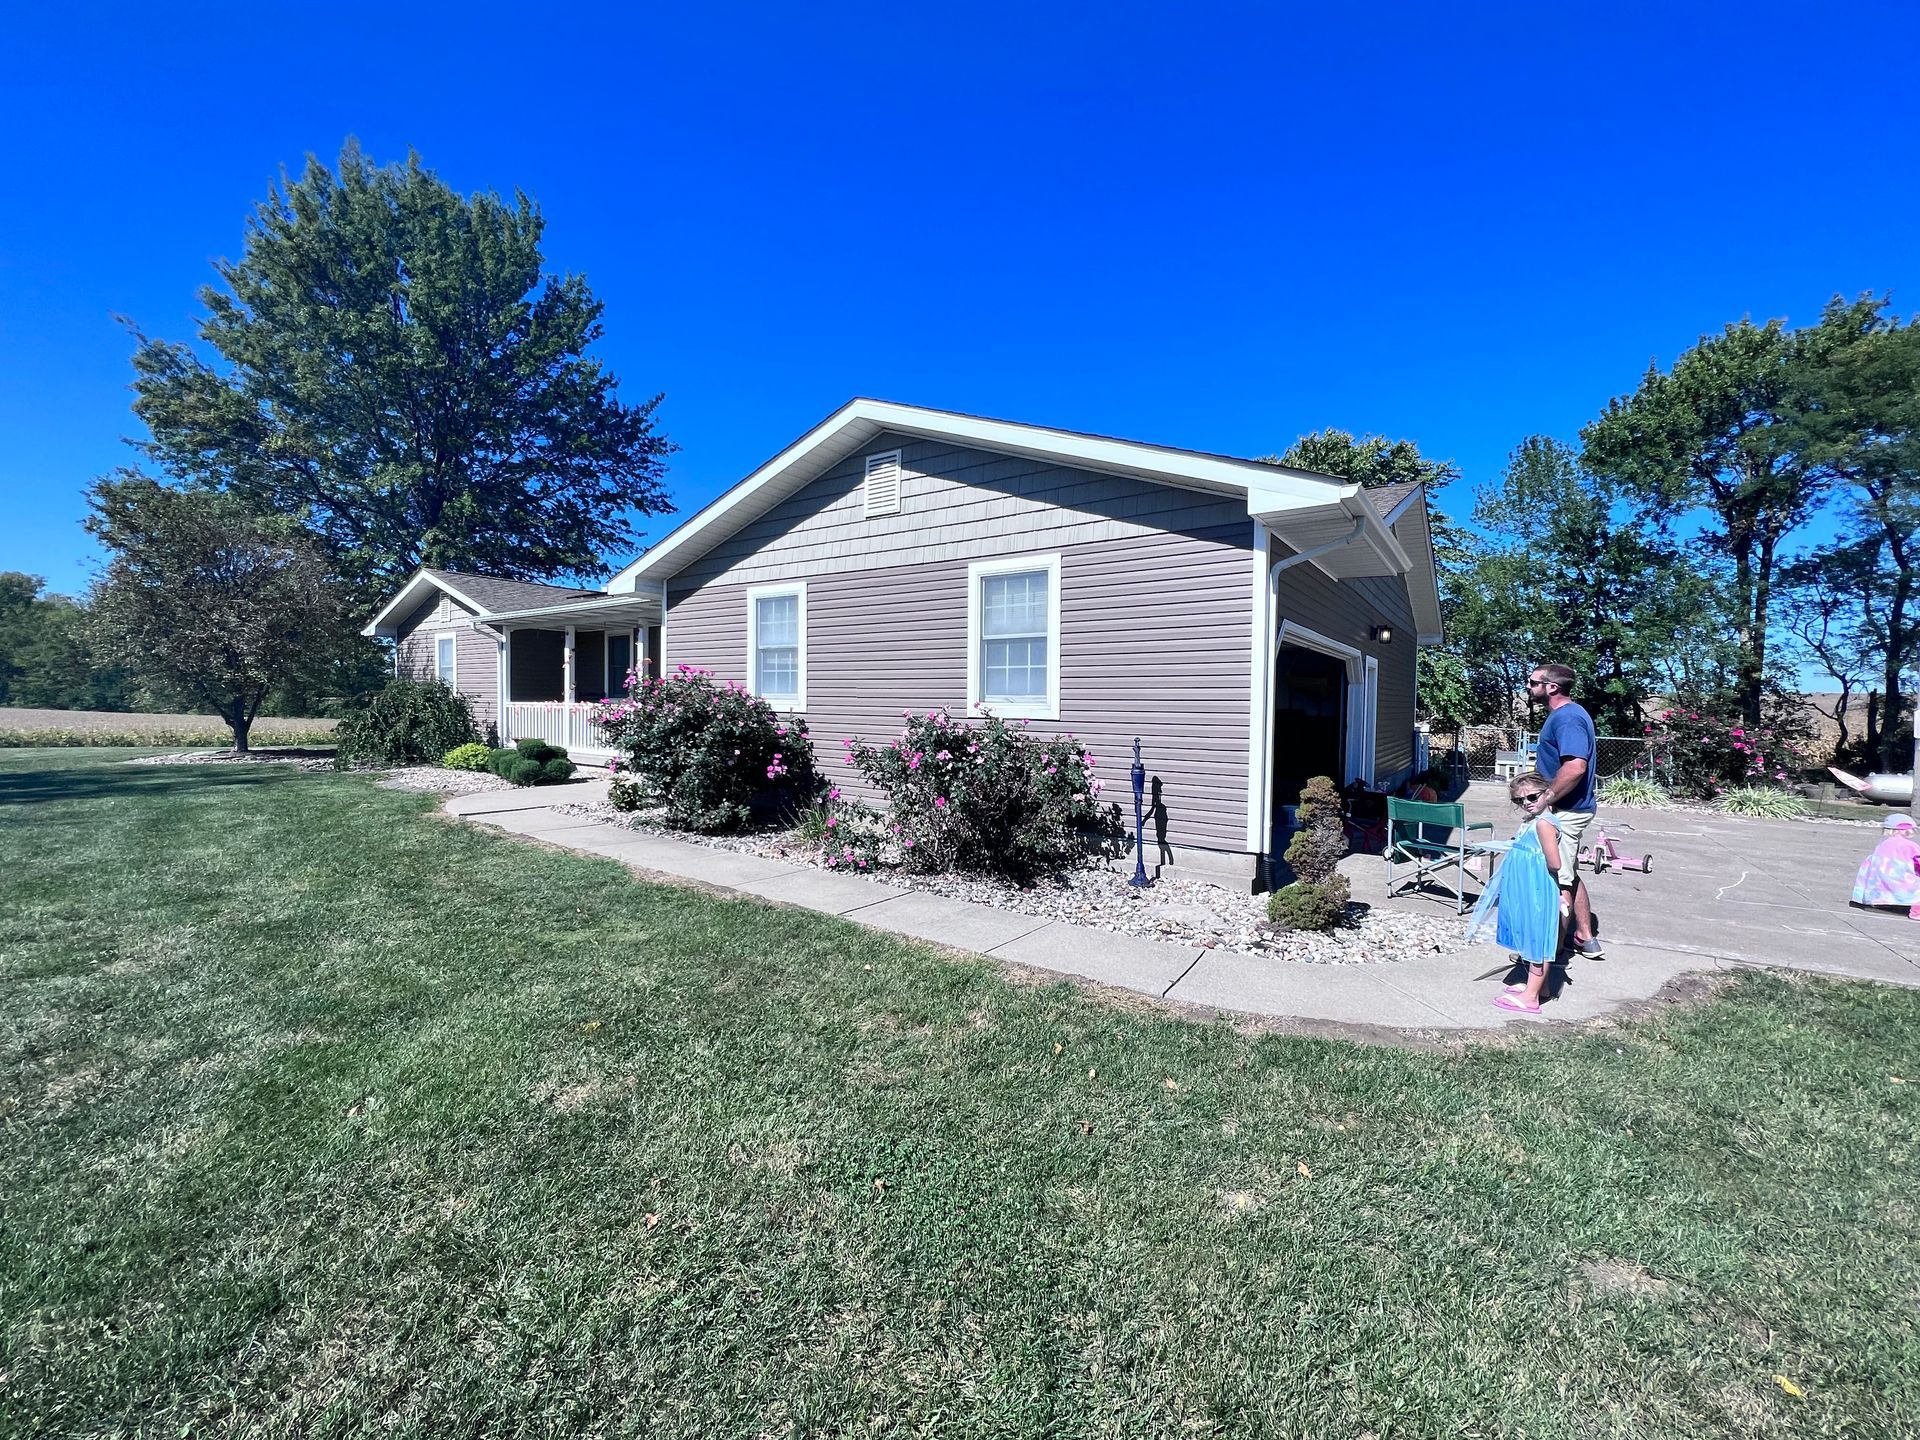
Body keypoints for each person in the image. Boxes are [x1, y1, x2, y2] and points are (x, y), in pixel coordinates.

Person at [1466, 772, 1572, 1014]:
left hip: (1538, 888)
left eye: (1532, 796)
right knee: (1532, 936)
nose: (1526, 802)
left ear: (1547, 794)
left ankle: (1531, 997)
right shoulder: (1534, 821)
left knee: (1537, 940)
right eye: (1519, 800)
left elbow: (1555, 863)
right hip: (1530, 887)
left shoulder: (1544, 824)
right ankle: (1541, 989)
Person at [1523, 662, 1603, 958]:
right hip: (1566, 808)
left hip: (1566, 811)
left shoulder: (1567, 719)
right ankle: (1584, 936)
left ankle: (1548, 955)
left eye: (1532, 682)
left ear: (1551, 687)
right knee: (1569, 872)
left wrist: (1545, 798)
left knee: (1557, 880)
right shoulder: (1565, 715)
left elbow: (1575, 767)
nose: (1528, 687)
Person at [1851, 814, 1920, 918]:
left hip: (1879, 886)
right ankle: (1917, 912)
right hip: (1901, 885)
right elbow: (1917, 863)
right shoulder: (1909, 846)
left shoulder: (1882, 844)